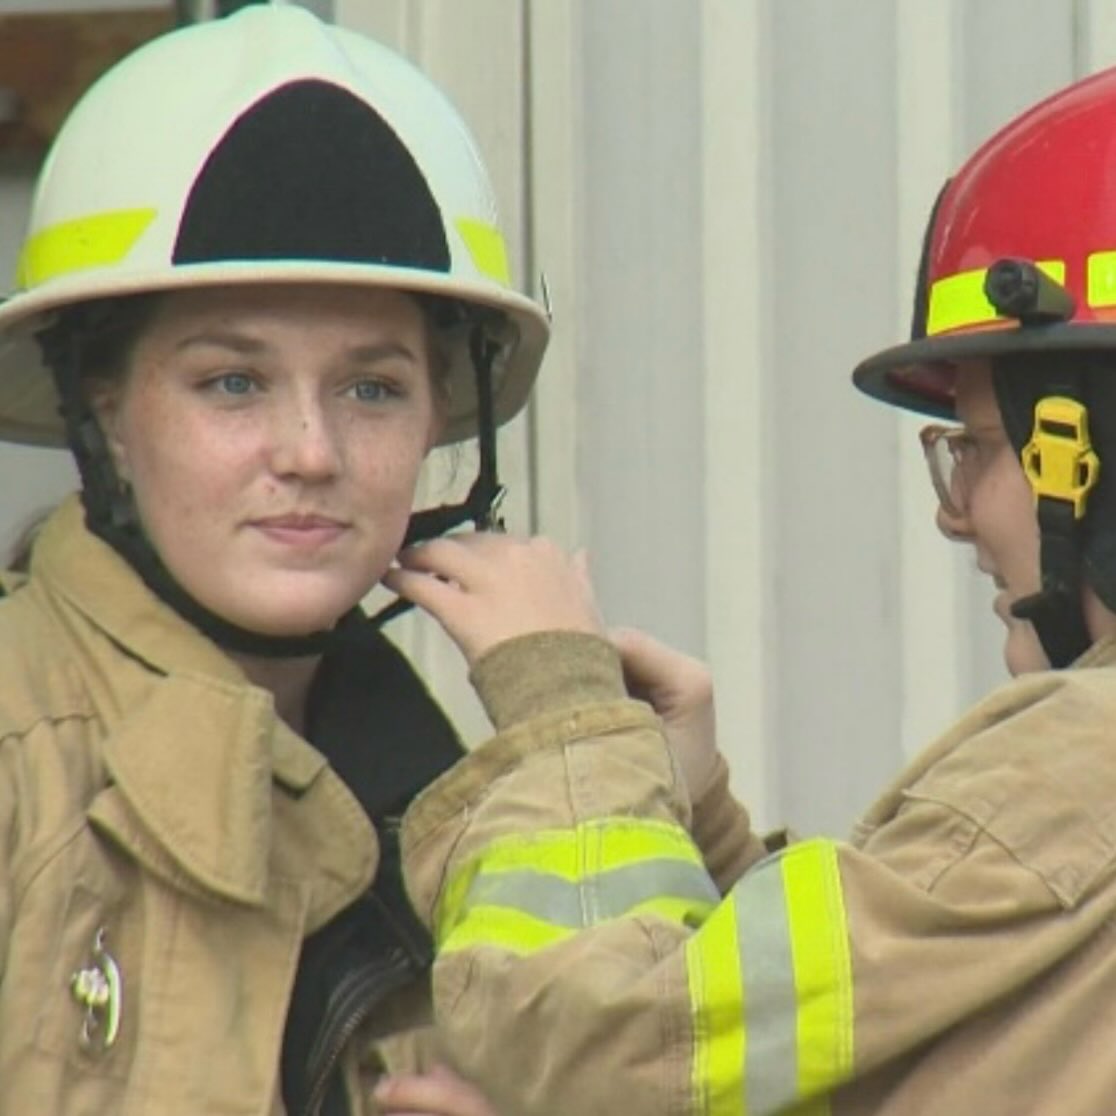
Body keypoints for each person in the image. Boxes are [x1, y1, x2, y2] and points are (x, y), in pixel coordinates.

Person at [383, 65, 1116, 1116]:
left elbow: (611, 1054)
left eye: (979, 448)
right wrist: (707, 833)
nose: (957, 516)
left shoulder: (1079, 769)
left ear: (1088, 450)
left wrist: (566, 728)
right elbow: (881, 1048)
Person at [0, 5, 583, 1113]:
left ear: (438, 415)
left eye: (371, 387)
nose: (311, 453)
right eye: (233, 382)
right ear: (105, 409)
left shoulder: (452, 808)